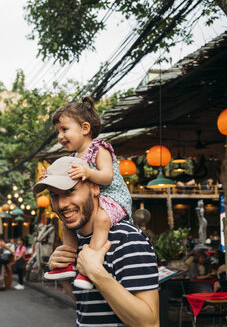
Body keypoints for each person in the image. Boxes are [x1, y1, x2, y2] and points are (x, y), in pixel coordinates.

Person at [34, 156, 159, 326]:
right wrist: (64, 274)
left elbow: (149, 323)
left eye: (70, 191)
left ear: (94, 187)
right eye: (55, 196)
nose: (62, 204)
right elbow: (87, 302)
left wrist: (96, 272)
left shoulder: (127, 238)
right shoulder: (78, 240)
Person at [43, 97, 133, 290]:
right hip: (96, 200)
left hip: (113, 198)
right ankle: (68, 261)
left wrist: (88, 172)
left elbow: (107, 177)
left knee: (101, 220)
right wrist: (47, 175)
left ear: (85, 128)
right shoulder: (72, 157)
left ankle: (90, 265)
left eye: (64, 130)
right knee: (66, 224)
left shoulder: (99, 148)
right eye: (58, 131)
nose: (60, 136)